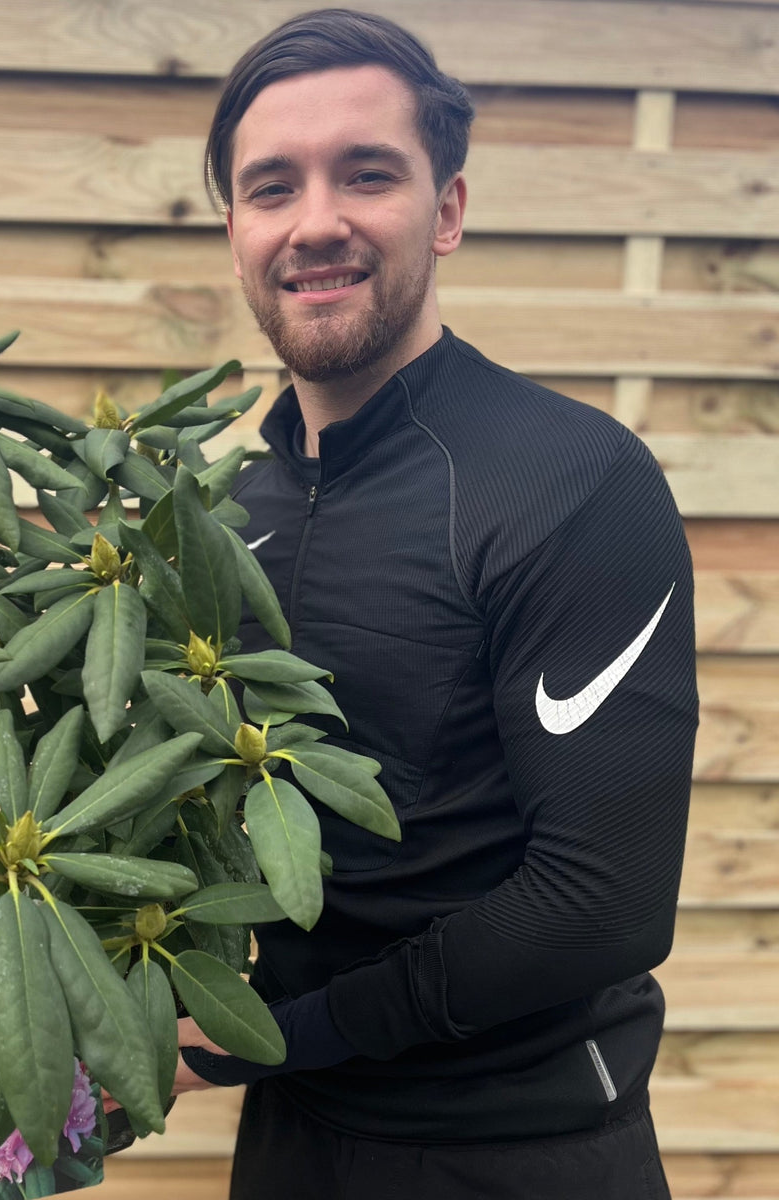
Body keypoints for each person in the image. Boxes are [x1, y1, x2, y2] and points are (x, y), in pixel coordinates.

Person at [169, 9, 699, 1198]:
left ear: (447, 209)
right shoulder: (218, 507)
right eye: (272, 187)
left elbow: (602, 906)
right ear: (236, 230)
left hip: (522, 1148)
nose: (317, 222)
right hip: (296, 1137)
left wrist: (271, 1037)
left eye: (367, 174)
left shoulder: (569, 480)